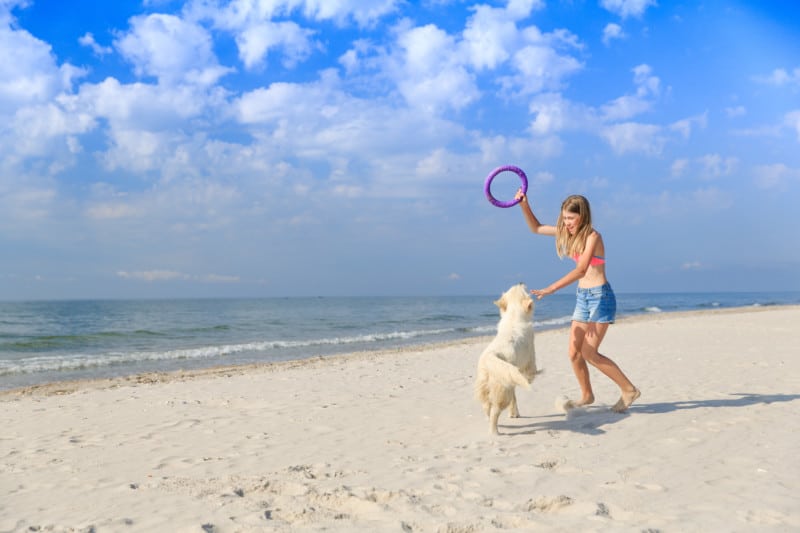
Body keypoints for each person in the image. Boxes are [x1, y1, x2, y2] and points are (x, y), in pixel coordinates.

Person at [514, 191, 640, 412]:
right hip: (582, 298)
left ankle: (629, 389)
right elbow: (536, 228)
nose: (566, 223)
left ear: (582, 216)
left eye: (570, 218)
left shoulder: (593, 237)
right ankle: (587, 395)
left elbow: (582, 270)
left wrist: (551, 288)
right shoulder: (566, 233)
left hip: (601, 298)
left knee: (589, 353)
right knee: (573, 352)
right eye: (564, 218)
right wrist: (524, 205)